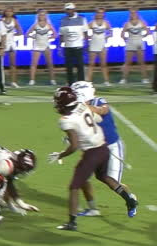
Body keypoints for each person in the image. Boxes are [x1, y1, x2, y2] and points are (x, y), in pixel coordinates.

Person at [48, 87, 138, 231]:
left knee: (74, 186)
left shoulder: (65, 120)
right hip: (103, 148)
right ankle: (129, 200)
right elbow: (98, 119)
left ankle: (72, 222)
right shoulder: (84, 106)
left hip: (92, 153)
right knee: (104, 176)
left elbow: (74, 146)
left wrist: (61, 154)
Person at [71, 81, 129, 216]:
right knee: (82, 177)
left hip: (113, 147)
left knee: (114, 182)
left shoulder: (98, 101)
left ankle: (131, 200)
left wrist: (86, 107)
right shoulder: (78, 109)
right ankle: (93, 208)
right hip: (96, 148)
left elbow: (103, 110)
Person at [59, 3, 88, 85]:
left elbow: (85, 33)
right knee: (69, 67)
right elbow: (61, 34)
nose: (68, 11)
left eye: (70, 9)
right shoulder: (63, 20)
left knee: (80, 66)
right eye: (67, 9)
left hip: (78, 46)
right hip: (68, 47)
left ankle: (81, 84)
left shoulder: (81, 19)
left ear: (74, 9)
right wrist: (61, 47)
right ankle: (71, 84)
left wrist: (87, 44)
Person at [26, 9, 57, 86]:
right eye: (40, 15)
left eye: (43, 15)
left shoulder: (48, 25)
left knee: (50, 64)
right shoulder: (35, 25)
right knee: (34, 64)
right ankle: (32, 80)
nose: (41, 16)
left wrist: (49, 38)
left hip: (46, 46)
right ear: (38, 16)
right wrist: (33, 36)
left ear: (45, 16)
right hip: (37, 46)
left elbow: (55, 34)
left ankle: (52, 80)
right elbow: (27, 34)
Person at [119, 9, 149, 84]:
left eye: (134, 13)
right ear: (130, 14)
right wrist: (125, 39)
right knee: (127, 62)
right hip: (130, 44)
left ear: (137, 14)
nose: (133, 14)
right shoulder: (127, 24)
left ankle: (145, 79)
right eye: (131, 13)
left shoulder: (142, 22)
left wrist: (142, 36)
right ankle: (124, 79)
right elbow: (122, 34)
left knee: (141, 62)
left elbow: (148, 31)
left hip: (139, 44)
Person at [87, 8, 111, 86]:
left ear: (104, 14)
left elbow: (111, 32)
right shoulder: (92, 23)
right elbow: (85, 31)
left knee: (103, 64)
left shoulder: (106, 23)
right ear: (96, 14)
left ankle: (106, 81)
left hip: (102, 45)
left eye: (102, 13)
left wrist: (107, 36)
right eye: (98, 13)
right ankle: (89, 82)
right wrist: (88, 37)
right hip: (93, 45)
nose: (100, 14)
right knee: (91, 64)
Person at [1, 7, 23, 88]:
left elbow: (20, 32)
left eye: (10, 11)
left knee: (13, 64)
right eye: (7, 11)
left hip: (11, 44)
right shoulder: (1, 20)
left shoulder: (14, 21)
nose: (8, 12)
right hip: (3, 44)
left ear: (13, 12)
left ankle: (13, 82)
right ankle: (1, 81)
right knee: (1, 64)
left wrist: (13, 34)